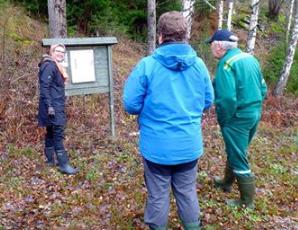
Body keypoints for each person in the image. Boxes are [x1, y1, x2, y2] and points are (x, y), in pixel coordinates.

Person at [123, 11, 214, 230]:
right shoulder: (199, 65)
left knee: (158, 194)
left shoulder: (148, 65)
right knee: (187, 191)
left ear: (160, 36)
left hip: (157, 147)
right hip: (188, 144)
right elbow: (208, 100)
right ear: (186, 35)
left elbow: (130, 104)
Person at [207, 29, 267, 209]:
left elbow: (226, 99)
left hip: (237, 117)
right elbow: (263, 88)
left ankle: (246, 202)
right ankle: (226, 182)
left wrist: (225, 120)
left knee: (239, 155)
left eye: (211, 45)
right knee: (236, 149)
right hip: (254, 112)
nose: (211, 48)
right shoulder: (250, 59)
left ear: (218, 46)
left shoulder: (226, 64)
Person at [38, 44, 78, 175]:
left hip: (54, 105)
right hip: (53, 107)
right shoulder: (49, 65)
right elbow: (44, 87)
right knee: (58, 133)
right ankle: (63, 164)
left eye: (63, 52)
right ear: (52, 52)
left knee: (50, 131)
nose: (61, 53)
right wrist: (50, 106)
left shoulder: (55, 66)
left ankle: (50, 161)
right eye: (58, 51)